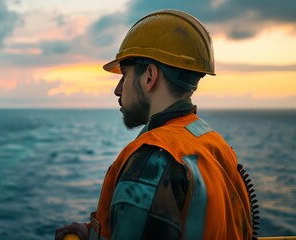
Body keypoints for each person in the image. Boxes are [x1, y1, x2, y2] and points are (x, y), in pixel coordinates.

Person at [56, 9, 257, 240]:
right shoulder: (212, 143)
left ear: (149, 77)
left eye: (124, 76)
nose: (117, 90)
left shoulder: (153, 160)